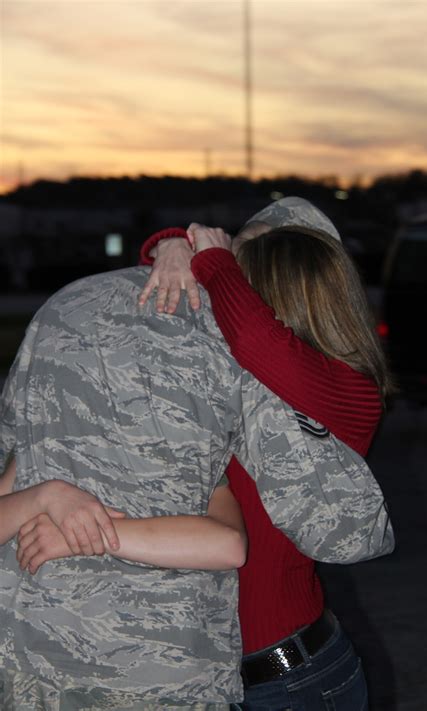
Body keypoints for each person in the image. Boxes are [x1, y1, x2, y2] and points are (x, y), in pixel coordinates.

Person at [0, 257, 392, 709]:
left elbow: (227, 544)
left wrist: (81, 532)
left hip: (287, 676)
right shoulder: (209, 409)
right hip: (221, 674)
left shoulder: (339, 393)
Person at [138, 196, 394, 710]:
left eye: (237, 276)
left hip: (293, 682)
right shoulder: (236, 375)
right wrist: (169, 244)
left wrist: (210, 260)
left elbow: (255, 338)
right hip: (213, 680)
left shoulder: (349, 391)